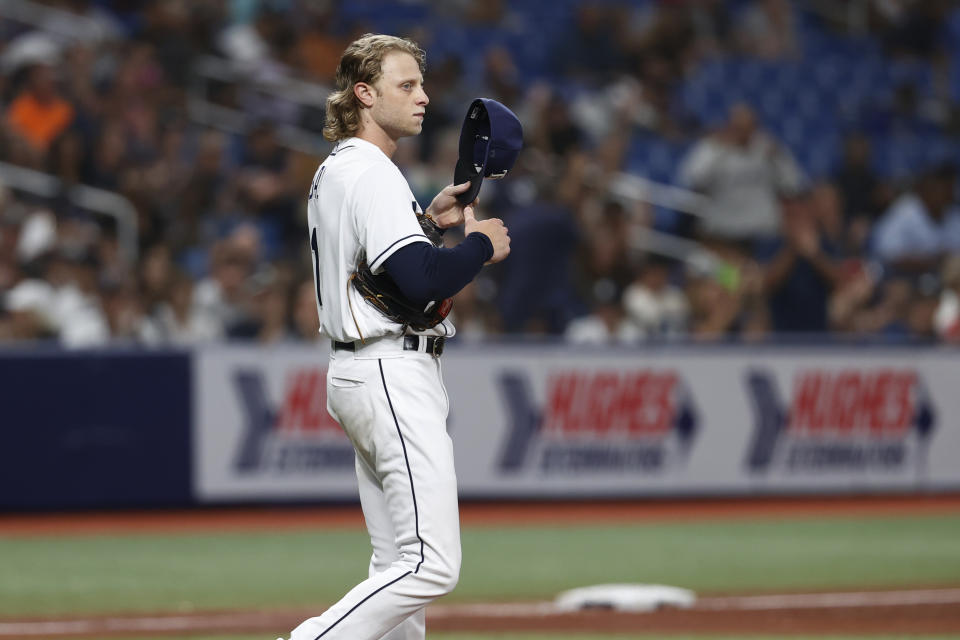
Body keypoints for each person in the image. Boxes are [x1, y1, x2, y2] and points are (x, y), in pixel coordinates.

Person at [281, 34, 510, 640]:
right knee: (430, 565)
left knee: (396, 565)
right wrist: (482, 245)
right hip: (389, 371)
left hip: (360, 368)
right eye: (406, 85)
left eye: (422, 84)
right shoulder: (373, 171)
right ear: (364, 92)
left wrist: (427, 222)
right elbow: (420, 278)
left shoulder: (337, 167)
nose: (424, 97)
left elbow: (380, 271)